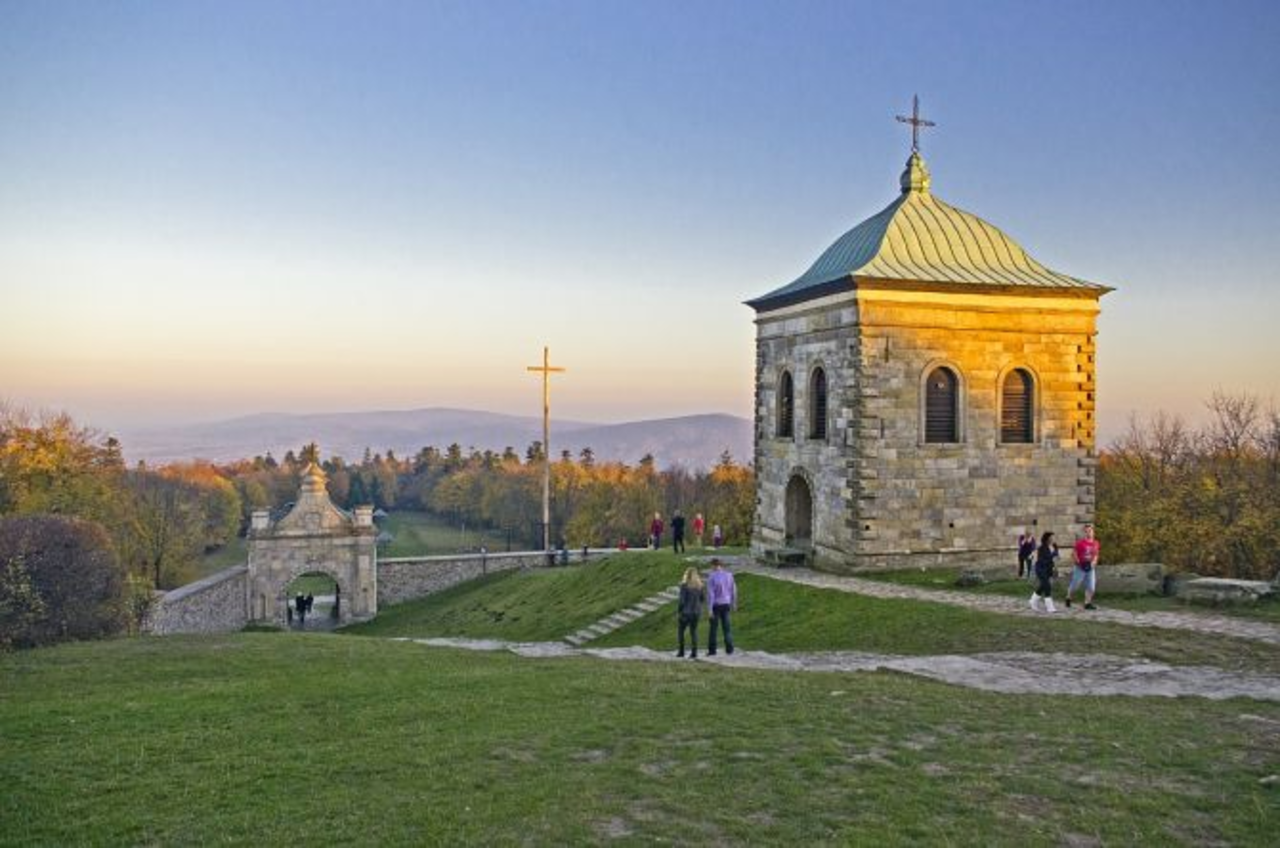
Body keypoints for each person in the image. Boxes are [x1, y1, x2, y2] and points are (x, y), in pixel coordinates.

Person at [705, 558, 737, 655]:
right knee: (727, 628)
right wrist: (734, 603)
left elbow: (711, 594)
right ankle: (730, 649)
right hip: (726, 604)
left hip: (716, 605)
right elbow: (733, 590)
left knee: (713, 629)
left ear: (713, 565)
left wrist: (709, 609)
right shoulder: (729, 575)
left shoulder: (711, 577)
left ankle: (712, 650)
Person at [1066, 524, 1101, 610]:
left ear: (1093, 532)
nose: (1088, 533)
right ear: (1084, 533)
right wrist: (1078, 562)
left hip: (1090, 567)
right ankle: (1068, 597)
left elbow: (1096, 554)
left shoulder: (1096, 543)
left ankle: (1087, 603)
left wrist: (1094, 562)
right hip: (1080, 567)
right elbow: (1074, 554)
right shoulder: (1080, 543)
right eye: (1086, 531)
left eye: (1090, 531)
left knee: (1091, 587)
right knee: (1075, 585)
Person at [676, 566, 705, 658]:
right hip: (696, 612)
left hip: (686, 612)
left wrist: (679, 611)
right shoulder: (700, 586)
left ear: (686, 575)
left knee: (681, 632)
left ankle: (681, 652)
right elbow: (702, 599)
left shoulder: (684, 586)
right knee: (693, 632)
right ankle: (694, 652)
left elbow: (682, 601)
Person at [1029, 531, 1059, 613]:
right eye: (1052, 537)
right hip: (1041, 569)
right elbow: (1044, 559)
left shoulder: (1055, 546)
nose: (1054, 539)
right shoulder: (1042, 548)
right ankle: (1050, 607)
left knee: (1043, 586)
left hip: (1049, 569)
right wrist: (1053, 556)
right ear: (1048, 538)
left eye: (1054, 537)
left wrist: (1055, 567)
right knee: (1047, 586)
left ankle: (1033, 600)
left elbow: (1056, 557)